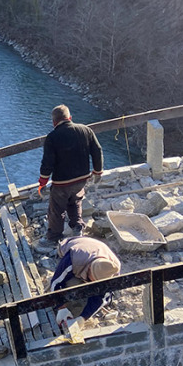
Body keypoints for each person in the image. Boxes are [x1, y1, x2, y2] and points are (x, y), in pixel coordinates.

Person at [38, 104, 104, 243]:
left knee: (56, 209)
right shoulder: (86, 130)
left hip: (62, 182)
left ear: (54, 122)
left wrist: (42, 183)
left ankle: (54, 237)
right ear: (70, 118)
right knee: (75, 201)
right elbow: (97, 151)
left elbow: (47, 163)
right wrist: (97, 172)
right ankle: (77, 227)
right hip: (81, 178)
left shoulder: (52, 137)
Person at [49, 236, 121, 330]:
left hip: (97, 249)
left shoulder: (112, 271)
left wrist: (83, 318)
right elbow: (56, 282)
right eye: (93, 279)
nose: (94, 282)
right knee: (73, 285)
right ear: (90, 269)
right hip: (73, 245)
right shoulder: (73, 259)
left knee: (99, 293)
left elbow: (100, 298)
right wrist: (61, 307)